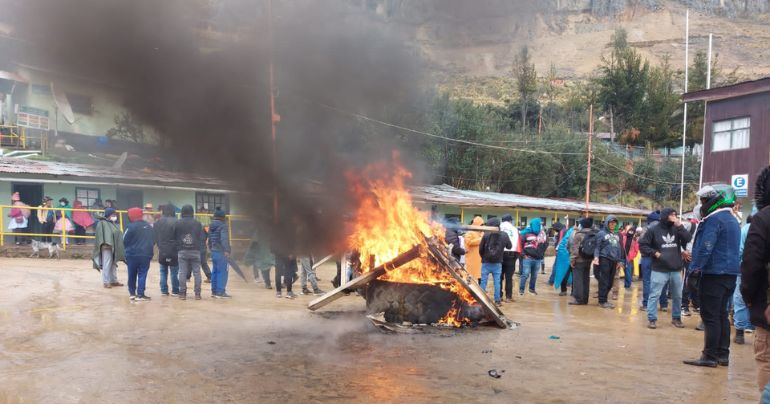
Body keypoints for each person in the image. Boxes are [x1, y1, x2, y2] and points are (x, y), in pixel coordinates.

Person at [684, 184, 740, 368]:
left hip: (714, 274)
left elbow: (706, 247)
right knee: (722, 315)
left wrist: (694, 270)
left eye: (704, 200)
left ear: (715, 200)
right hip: (730, 275)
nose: (702, 204)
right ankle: (723, 355)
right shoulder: (732, 219)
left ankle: (709, 356)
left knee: (710, 316)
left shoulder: (714, 220)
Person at [742, 166, 770, 391]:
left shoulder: (762, 219)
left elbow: (752, 265)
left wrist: (748, 297)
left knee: (767, 361)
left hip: (767, 306)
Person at [638, 208, 691, 329]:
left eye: (675, 214)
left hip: (676, 268)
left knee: (677, 295)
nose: (674, 217)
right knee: (654, 295)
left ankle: (676, 318)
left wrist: (679, 225)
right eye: (672, 215)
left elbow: (688, 238)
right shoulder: (653, 229)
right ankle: (652, 319)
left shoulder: (677, 228)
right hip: (659, 269)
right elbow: (643, 245)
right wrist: (655, 253)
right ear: (665, 216)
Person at [639, 211, 669, 311]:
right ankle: (663, 304)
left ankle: (646, 304)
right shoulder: (665, 229)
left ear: (649, 220)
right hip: (661, 258)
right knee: (662, 281)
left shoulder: (646, 229)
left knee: (647, 281)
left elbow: (641, 244)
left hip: (647, 257)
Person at [123, 207, 154, 301]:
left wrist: (129, 248)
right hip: (145, 255)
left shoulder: (130, 227)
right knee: (142, 274)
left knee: (131, 274)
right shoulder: (149, 226)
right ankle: (141, 294)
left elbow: (124, 240)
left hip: (132, 255)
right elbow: (154, 240)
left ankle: (132, 294)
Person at [479, 217, 512, 306]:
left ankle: (481, 300)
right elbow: (509, 246)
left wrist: (484, 257)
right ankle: (497, 301)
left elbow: (481, 249)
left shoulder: (486, 234)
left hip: (486, 262)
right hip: (497, 263)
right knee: (497, 282)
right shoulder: (504, 235)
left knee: (483, 282)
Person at [593, 215, 623, 309]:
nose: (613, 224)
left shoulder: (617, 234)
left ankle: (604, 299)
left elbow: (619, 248)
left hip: (614, 260)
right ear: (607, 223)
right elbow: (597, 246)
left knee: (610, 281)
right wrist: (596, 257)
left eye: (614, 223)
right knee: (604, 280)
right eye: (611, 222)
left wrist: (619, 260)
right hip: (604, 258)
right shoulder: (601, 233)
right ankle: (602, 301)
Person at [174, 204, 204, 300]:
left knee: (182, 272)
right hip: (195, 250)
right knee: (197, 272)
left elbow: (174, 236)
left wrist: (178, 246)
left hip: (182, 250)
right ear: (192, 212)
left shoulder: (178, 223)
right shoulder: (198, 223)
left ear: (182, 212)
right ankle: (197, 294)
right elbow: (202, 237)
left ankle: (182, 294)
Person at [733, 214, 754, 344]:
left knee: (740, 300)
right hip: (764, 270)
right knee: (760, 299)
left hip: (744, 269)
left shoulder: (745, 229)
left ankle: (740, 333)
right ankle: (755, 328)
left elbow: (739, 251)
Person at [92, 207, 125, 288]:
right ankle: (106, 282)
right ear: (109, 215)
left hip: (114, 247)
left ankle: (114, 281)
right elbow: (100, 236)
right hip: (106, 247)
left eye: (115, 214)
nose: (115, 216)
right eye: (113, 214)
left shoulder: (112, 223)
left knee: (114, 264)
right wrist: (105, 243)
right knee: (107, 264)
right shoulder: (102, 223)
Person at [154, 204, 180, 296]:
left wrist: (159, 245)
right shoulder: (177, 221)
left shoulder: (158, 222)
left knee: (163, 271)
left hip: (163, 250)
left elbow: (155, 236)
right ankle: (175, 291)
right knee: (174, 272)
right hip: (174, 251)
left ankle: (164, 291)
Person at [568, 217, 594, 305]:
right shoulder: (593, 234)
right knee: (586, 280)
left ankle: (578, 299)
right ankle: (585, 299)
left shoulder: (579, 235)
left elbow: (574, 249)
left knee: (578, 280)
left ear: (582, 225)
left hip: (579, 260)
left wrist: (572, 260)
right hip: (589, 259)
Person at [519, 218, 547, 296]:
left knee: (534, 276)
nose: (538, 226)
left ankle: (532, 289)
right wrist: (523, 255)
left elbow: (545, 245)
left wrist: (541, 254)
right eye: (537, 224)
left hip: (538, 259)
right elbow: (520, 245)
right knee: (525, 274)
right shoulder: (525, 233)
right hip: (528, 258)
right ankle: (521, 289)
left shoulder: (542, 234)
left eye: (539, 225)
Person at [208, 207, 232, 299]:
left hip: (214, 251)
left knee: (215, 271)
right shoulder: (223, 226)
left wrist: (211, 248)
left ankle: (214, 291)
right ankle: (220, 292)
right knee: (223, 271)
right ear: (223, 217)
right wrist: (227, 250)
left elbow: (209, 239)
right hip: (221, 252)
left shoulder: (211, 225)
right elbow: (224, 239)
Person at [499, 214, 521, 302]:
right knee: (509, 277)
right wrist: (516, 256)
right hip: (511, 254)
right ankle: (508, 297)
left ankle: (499, 296)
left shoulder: (498, 227)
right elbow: (518, 243)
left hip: (499, 254)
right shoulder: (514, 229)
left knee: (499, 277)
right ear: (510, 221)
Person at [553, 222, 576, 296]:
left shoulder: (567, 234)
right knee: (570, 275)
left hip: (571, 257)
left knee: (569, 274)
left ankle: (567, 291)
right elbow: (562, 246)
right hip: (570, 257)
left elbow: (561, 246)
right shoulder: (570, 234)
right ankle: (568, 291)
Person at [464, 216, 485, 284]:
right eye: (481, 225)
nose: (482, 226)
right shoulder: (470, 232)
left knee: (480, 275)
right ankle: (468, 288)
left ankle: (481, 289)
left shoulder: (481, 233)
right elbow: (469, 242)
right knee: (470, 274)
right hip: (472, 258)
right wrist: (481, 239)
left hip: (480, 258)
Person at [619, 224, 639, 290]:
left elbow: (636, 251)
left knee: (627, 272)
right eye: (628, 229)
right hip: (621, 257)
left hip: (628, 259)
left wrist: (631, 257)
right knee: (618, 272)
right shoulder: (623, 237)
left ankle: (627, 285)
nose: (629, 231)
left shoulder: (634, 240)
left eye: (630, 230)